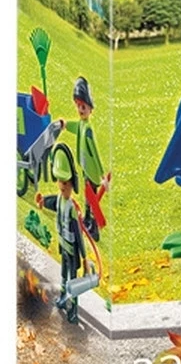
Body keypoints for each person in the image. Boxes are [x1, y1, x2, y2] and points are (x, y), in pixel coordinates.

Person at [36, 143, 89, 325]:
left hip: (72, 251)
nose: (61, 186)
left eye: (65, 183)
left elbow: (79, 235)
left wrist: (84, 258)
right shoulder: (59, 200)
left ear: (72, 184)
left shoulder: (72, 208)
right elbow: (52, 203)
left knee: (73, 281)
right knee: (64, 276)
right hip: (63, 247)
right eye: (59, 181)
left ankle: (73, 309)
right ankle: (62, 299)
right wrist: (43, 201)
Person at [62, 77, 109, 241]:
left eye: (83, 107)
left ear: (90, 109)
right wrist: (65, 125)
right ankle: (88, 221)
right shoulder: (82, 125)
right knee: (88, 197)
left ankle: (93, 227)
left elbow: (95, 153)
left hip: (92, 172)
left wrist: (102, 176)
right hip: (86, 169)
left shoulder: (88, 129)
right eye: (78, 106)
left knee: (92, 199)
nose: (80, 110)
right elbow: (76, 127)